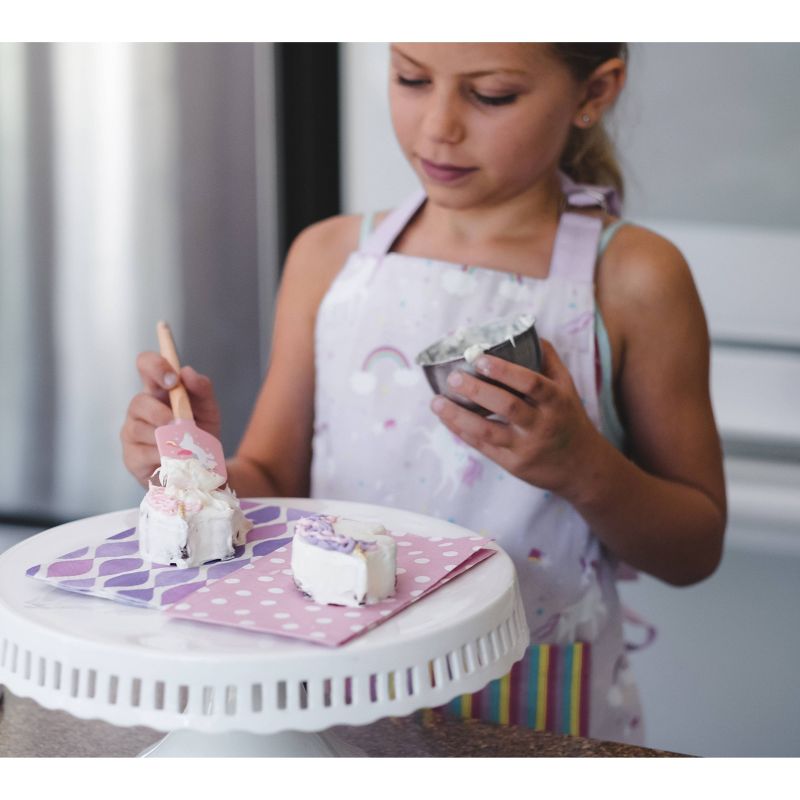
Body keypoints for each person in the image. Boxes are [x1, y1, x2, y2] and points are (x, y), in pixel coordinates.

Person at [121, 43, 726, 744]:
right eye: (411, 78)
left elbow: (694, 549)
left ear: (594, 90)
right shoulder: (328, 257)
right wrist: (201, 476)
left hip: (531, 701)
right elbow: (275, 481)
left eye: (492, 95)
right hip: (336, 682)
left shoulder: (635, 279)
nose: (438, 125)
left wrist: (581, 466)